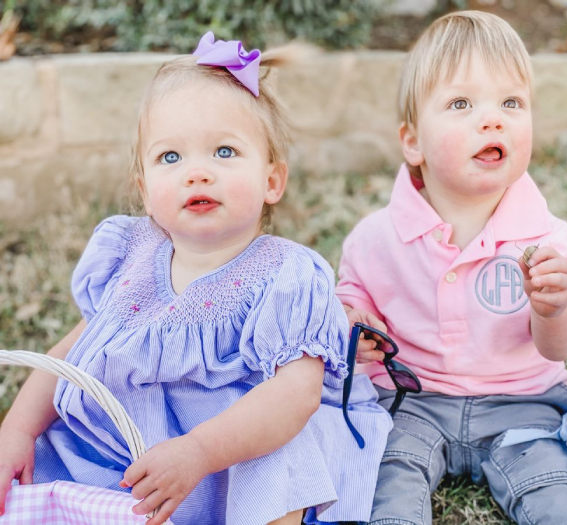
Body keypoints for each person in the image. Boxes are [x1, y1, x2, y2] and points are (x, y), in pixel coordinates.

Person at [0, 32, 392, 525]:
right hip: (121, 455)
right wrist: (16, 430)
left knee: (280, 457)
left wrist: (199, 452)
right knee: (51, 463)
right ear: (144, 190)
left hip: (226, 462)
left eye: (224, 152)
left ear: (272, 180)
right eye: (171, 158)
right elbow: (71, 357)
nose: (197, 173)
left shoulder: (286, 274)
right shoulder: (131, 255)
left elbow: (295, 396)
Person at [336, 11, 567, 525]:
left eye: (511, 102)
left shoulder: (544, 236)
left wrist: (555, 307)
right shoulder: (376, 238)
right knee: (381, 481)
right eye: (461, 104)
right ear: (412, 141)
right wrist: (356, 326)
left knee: (559, 492)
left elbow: (563, 347)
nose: (493, 119)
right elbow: (351, 312)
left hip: (523, 405)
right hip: (410, 403)